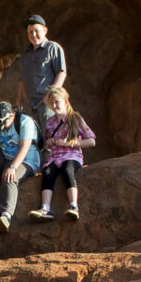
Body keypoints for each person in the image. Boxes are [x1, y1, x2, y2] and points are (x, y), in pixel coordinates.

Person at [27, 86, 94, 221]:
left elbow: (91, 141)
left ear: (65, 101)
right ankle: (45, 208)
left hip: (71, 155)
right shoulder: (49, 122)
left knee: (68, 169)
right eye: (52, 103)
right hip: (54, 156)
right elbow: (46, 144)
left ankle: (74, 206)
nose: (54, 105)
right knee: (47, 172)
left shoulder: (75, 118)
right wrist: (49, 143)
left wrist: (71, 143)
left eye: (57, 102)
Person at [0, 98, 39, 231]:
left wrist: (13, 168)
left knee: (10, 177)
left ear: (11, 116)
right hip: (3, 159)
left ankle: (6, 215)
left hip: (26, 160)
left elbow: (25, 147)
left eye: (0, 122)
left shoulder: (24, 121)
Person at [16, 13, 66, 122]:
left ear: (45, 30)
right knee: (32, 138)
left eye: (36, 31)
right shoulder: (26, 54)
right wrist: (19, 101)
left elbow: (61, 73)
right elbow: (22, 79)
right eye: (30, 32)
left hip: (47, 105)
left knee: (49, 138)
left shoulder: (53, 48)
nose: (33, 35)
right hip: (29, 107)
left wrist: (49, 97)